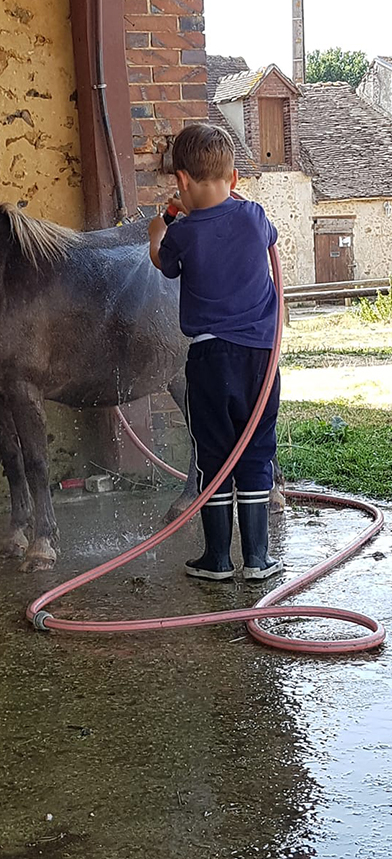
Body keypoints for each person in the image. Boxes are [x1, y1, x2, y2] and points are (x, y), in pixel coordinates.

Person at [148, 122, 282, 581]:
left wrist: (157, 229)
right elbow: (269, 238)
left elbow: (163, 265)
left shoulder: (181, 233)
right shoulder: (254, 216)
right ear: (236, 179)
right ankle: (258, 560)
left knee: (215, 454)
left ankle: (217, 560)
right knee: (255, 450)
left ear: (180, 182)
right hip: (262, 361)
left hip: (209, 361)